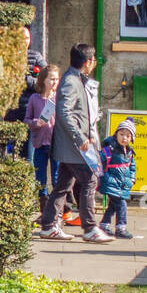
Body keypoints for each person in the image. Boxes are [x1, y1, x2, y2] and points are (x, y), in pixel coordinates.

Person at [38, 44, 112, 244]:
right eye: (94, 59)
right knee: (89, 180)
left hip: (71, 146)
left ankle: (49, 225)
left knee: (63, 185)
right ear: (87, 62)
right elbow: (64, 113)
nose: (94, 63)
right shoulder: (71, 81)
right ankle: (89, 228)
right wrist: (80, 138)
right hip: (75, 146)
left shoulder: (76, 79)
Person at [26, 64, 61, 215]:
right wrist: (35, 122)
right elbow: (26, 120)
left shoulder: (59, 98)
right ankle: (44, 212)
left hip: (57, 144)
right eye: (51, 79)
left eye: (56, 79)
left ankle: (57, 211)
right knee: (40, 178)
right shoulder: (35, 98)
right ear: (43, 80)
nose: (54, 82)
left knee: (56, 177)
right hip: (39, 143)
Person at [98, 119, 137, 239]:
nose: (124, 138)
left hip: (122, 184)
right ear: (116, 134)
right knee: (121, 204)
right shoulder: (110, 149)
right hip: (111, 183)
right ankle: (121, 227)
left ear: (131, 138)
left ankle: (104, 224)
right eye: (121, 134)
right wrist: (105, 178)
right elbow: (99, 162)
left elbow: (132, 167)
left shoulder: (129, 152)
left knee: (113, 205)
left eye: (127, 135)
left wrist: (131, 179)